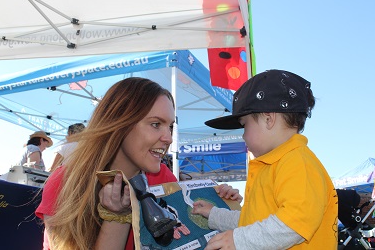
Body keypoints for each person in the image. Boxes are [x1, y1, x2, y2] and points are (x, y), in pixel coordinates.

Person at [35, 77, 241, 250]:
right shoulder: (66, 182)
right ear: (120, 123)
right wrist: (116, 217)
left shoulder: (162, 177)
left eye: (170, 126)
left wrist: (218, 201)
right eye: (155, 124)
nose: (168, 138)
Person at [192, 69, 338, 249]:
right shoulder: (272, 165)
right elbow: (253, 221)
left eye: (244, 126)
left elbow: (293, 225)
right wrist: (214, 214)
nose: (243, 136)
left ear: (269, 119)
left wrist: (238, 240)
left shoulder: (298, 162)